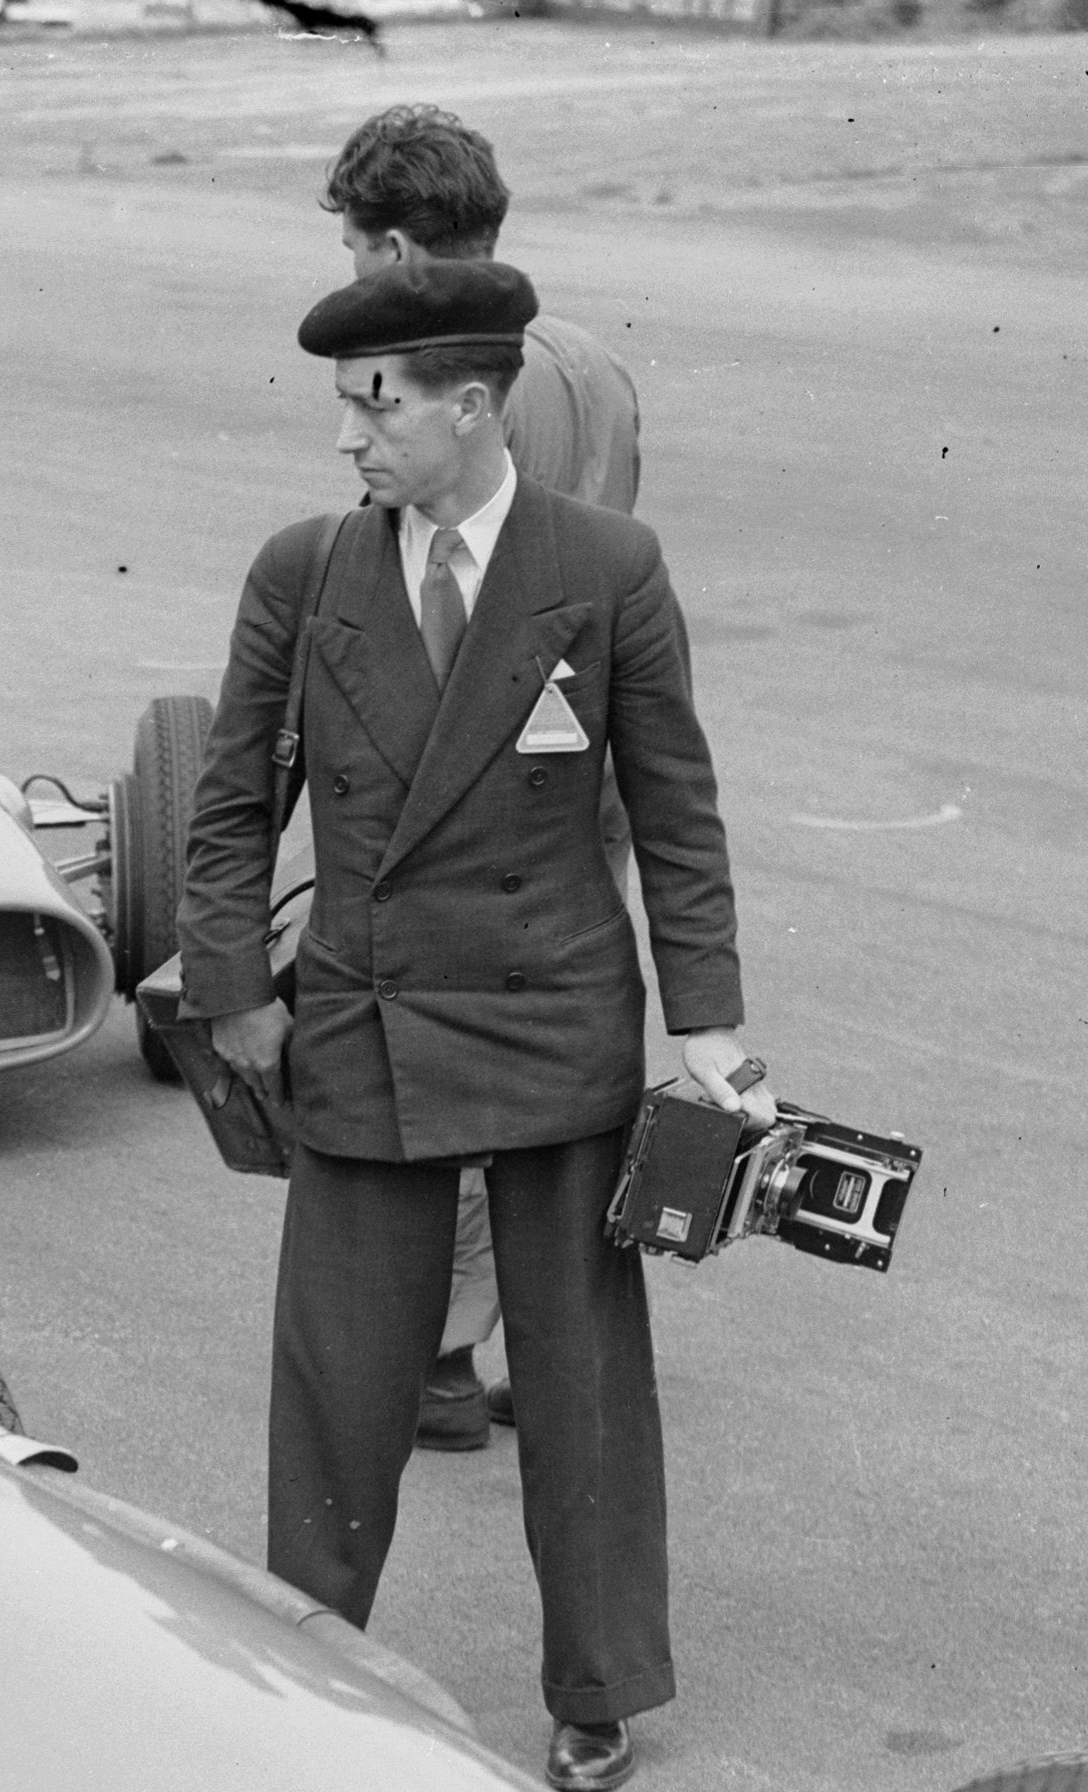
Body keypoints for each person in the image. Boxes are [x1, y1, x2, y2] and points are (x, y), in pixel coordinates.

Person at [176, 263, 752, 1792]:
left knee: (577, 1383)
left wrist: (708, 1029)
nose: (349, 444)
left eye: (377, 409)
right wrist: (232, 986)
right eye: (342, 410)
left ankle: (596, 1688)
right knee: (337, 1378)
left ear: (472, 406)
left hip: (553, 1018)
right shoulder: (302, 573)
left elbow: (676, 814)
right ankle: (308, 1661)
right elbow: (231, 799)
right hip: (358, 1023)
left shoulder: (606, 567)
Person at [322, 102, 647, 1456]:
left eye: (353, 250)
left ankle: (438, 1352)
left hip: (468, 772)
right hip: (591, 759)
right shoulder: (592, 364)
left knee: (435, 1060)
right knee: (553, 1062)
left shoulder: (423, 395)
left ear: (396, 244)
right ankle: (536, 1339)